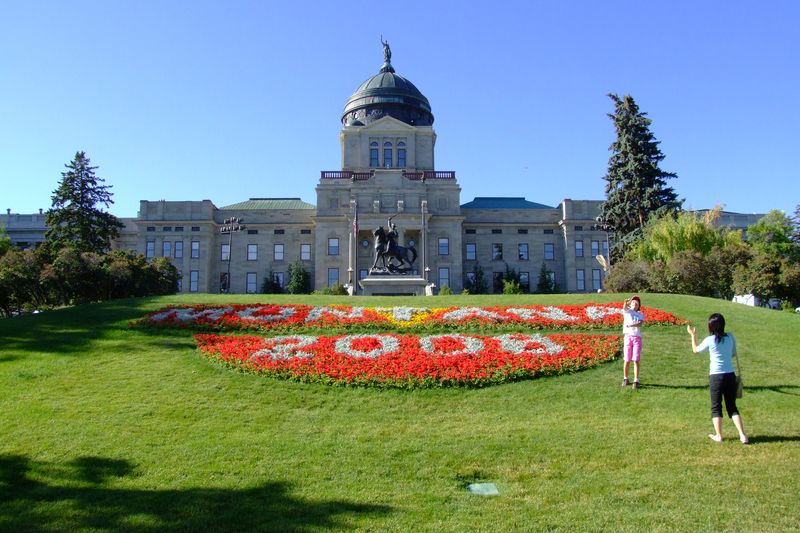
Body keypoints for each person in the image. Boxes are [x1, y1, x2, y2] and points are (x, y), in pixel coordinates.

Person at [687, 313, 749, 444]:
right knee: (732, 407)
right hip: (730, 375)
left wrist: (692, 335)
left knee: (716, 407)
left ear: (711, 326)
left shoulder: (710, 340)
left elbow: (695, 350)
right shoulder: (731, 337)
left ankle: (719, 436)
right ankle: (743, 435)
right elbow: (732, 354)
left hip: (716, 376)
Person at [621, 295, 645, 389]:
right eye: (633, 303)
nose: (635, 304)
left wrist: (631, 325)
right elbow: (624, 307)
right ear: (630, 304)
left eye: (637, 303)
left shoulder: (640, 314)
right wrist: (625, 302)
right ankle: (625, 378)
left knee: (636, 359)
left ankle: (636, 380)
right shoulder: (627, 311)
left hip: (637, 338)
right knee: (627, 360)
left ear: (639, 306)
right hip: (628, 337)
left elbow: (640, 323)